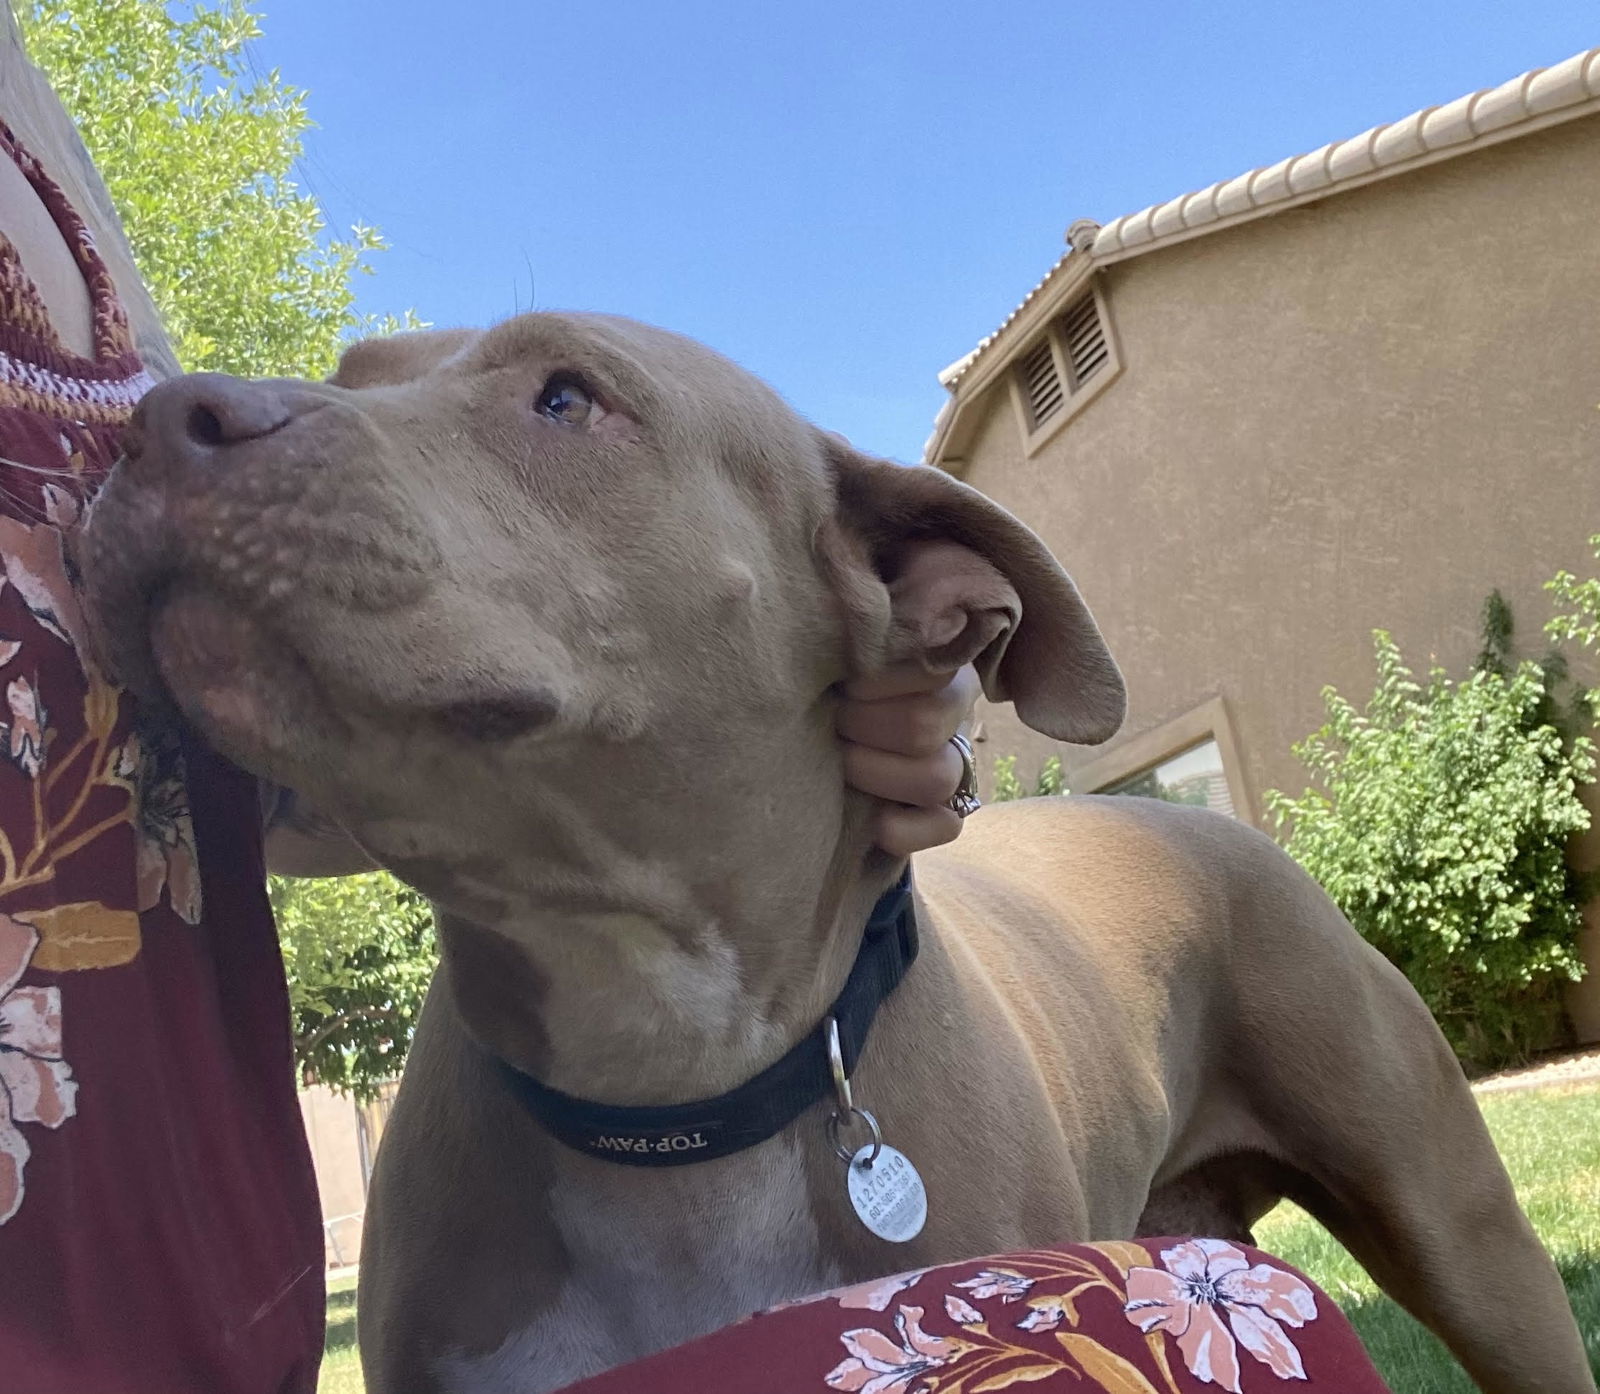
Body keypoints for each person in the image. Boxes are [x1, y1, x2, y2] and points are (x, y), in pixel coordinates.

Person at [0, 11, 980, 1392]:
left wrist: (869, 716)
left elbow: (171, 782)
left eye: (559, 403)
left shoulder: (39, 114)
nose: (220, 413)